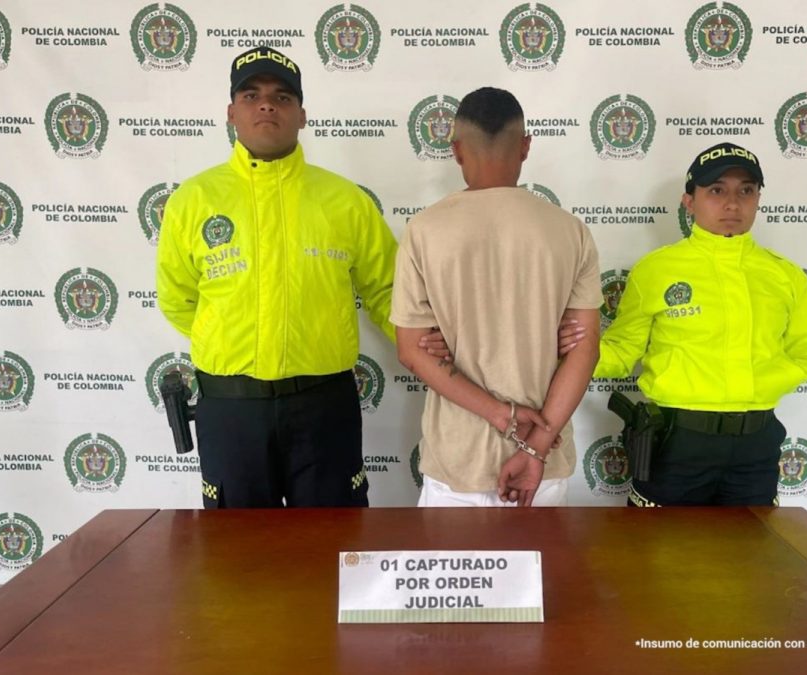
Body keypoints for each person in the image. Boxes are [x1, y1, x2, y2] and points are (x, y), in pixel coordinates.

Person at [156, 46, 446, 508]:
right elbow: (177, 298)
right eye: (251, 95)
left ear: (303, 115)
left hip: (323, 406)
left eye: (282, 96)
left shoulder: (344, 200)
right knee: (237, 556)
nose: (266, 104)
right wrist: (233, 341)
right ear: (231, 112)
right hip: (230, 408)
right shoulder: (192, 200)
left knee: (332, 546)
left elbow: (389, 292)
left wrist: (433, 352)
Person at [392, 87, 601, 508]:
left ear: (456, 150)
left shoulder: (425, 231)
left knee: (449, 578)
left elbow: (413, 352)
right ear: (525, 147)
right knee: (542, 575)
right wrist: (534, 446)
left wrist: (501, 416)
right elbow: (585, 350)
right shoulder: (570, 231)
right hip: (542, 464)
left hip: (457, 462)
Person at [589, 142, 807, 506]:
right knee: (659, 559)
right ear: (689, 201)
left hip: (755, 445)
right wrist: (563, 356)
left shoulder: (786, 275)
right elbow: (621, 351)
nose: (732, 203)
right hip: (675, 444)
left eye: (746, 191)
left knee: (748, 560)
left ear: (758, 198)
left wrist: (748, 393)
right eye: (716, 190)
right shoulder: (656, 270)